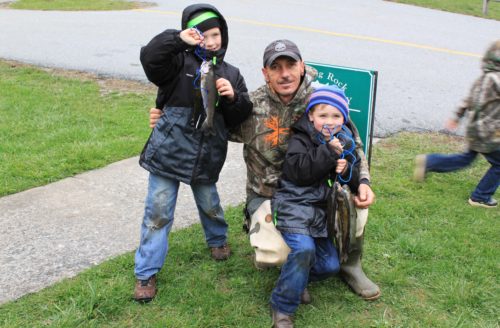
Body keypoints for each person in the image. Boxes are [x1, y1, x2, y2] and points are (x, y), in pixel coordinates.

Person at [149, 40, 380, 301]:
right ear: (265, 73)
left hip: (316, 188)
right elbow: (208, 128)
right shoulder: (250, 106)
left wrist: (363, 180)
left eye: (291, 65)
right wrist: (166, 117)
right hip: (268, 194)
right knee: (275, 252)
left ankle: (351, 264)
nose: (284, 74)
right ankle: (295, 268)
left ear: (302, 66)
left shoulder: (321, 100)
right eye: (276, 67)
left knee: (356, 201)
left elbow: (354, 142)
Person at [134, 3, 252, 302]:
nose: (212, 41)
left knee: (210, 203)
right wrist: (177, 39)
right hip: (168, 153)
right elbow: (150, 57)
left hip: (206, 153)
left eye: (216, 34)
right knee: (157, 212)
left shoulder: (232, 73)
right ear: (192, 35)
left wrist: (232, 97)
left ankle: (218, 240)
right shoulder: (176, 63)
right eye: (204, 35)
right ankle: (146, 271)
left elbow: (242, 115)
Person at [269, 85, 361, 326]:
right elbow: (298, 172)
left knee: (331, 265)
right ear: (311, 116)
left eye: (336, 116)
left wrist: (347, 170)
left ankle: (295, 280)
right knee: (304, 250)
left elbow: (353, 178)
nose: (329, 121)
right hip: (292, 205)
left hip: (320, 213)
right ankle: (282, 306)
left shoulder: (344, 141)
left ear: (344, 118)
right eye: (322, 115)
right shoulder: (301, 138)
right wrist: (329, 154)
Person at [414, 40, 500, 208]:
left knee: (465, 159)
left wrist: (457, 116)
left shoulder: (483, 78)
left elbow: (467, 100)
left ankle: (429, 162)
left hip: (476, 129)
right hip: (488, 132)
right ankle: (480, 196)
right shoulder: (496, 79)